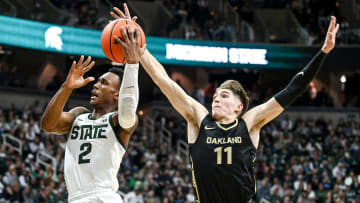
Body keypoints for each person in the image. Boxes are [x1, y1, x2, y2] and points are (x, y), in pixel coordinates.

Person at [113, 4, 339, 202]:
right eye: (215, 96)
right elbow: (165, 83)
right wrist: (141, 51)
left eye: (224, 96)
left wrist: (323, 52)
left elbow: (292, 89)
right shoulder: (199, 119)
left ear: (239, 107)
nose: (216, 99)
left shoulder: (249, 124)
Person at [41, 39, 144, 202]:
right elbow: (48, 124)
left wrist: (132, 65)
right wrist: (66, 88)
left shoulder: (118, 121)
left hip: (103, 196)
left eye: (104, 83)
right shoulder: (78, 115)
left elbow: (128, 108)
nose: (96, 85)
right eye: (98, 81)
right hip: (75, 198)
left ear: (117, 94)